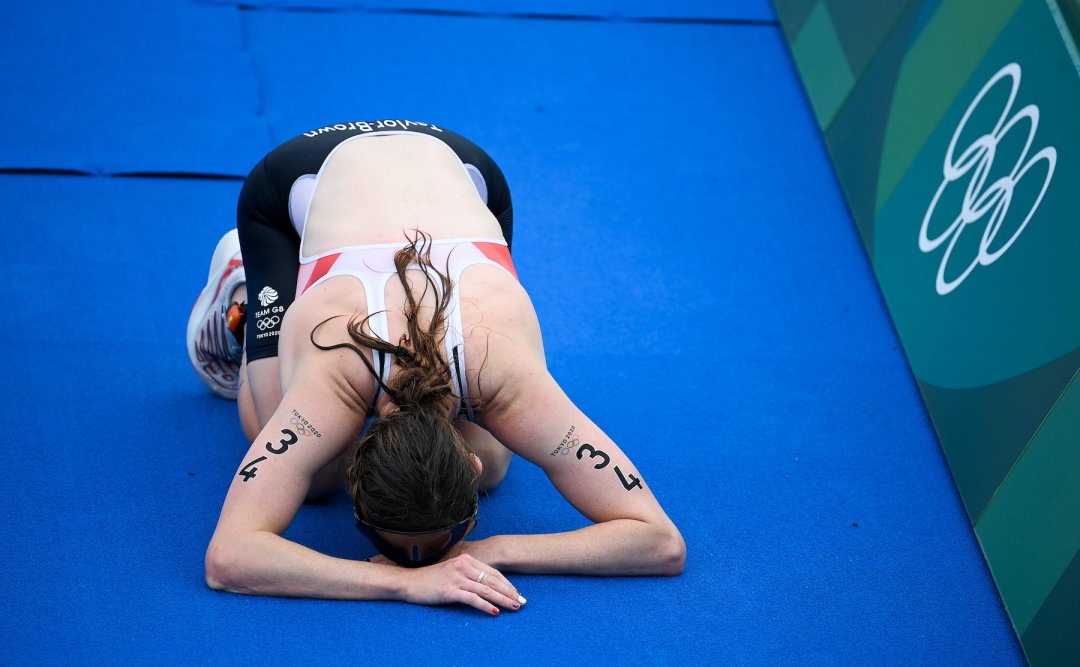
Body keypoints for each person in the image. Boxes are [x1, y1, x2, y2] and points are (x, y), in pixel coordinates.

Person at [189, 119, 685, 615]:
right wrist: (402, 586)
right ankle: (242, 293)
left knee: (490, 470)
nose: (420, 562)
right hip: (296, 184)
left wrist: (491, 549)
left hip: (464, 170)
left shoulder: (508, 379)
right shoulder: (333, 378)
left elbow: (661, 543)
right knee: (312, 481)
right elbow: (229, 559)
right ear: (354, 460)